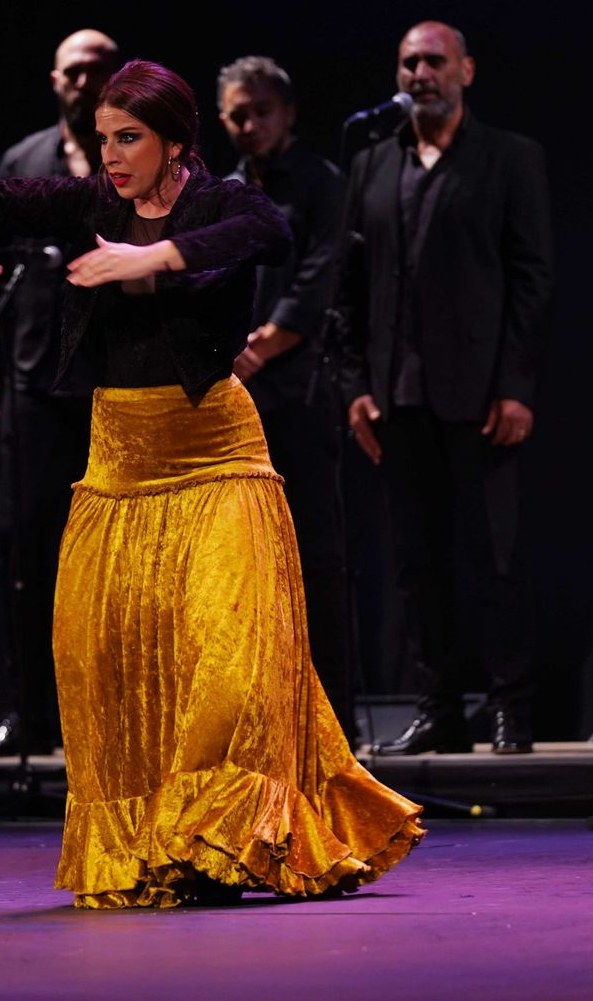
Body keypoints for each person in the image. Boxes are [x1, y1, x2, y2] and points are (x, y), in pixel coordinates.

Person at [0, 60, 422, 908]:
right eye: (104, 138)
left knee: (229, 665)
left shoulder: (223, 200)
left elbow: (267, 236)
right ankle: (154, 847)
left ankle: (226, 835)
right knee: (107, 666)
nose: (111, 156)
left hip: (218, 456)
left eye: (130, 140)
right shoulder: (90, 204)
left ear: (175, 144)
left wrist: (151, 257)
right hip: (119, 464)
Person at [340, 21, 553, 757]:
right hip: (396, 397)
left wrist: (517, 385)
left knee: (494, 556)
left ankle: (510, 708)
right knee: (416, 564)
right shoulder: (370, 165)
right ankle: (438, 707)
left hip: (480, 394)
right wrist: (355, 387)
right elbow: (348, 289)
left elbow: (532, 280)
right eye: (408, 62)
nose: (420, 73)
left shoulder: (508, 159)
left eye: (434, 61)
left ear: (467, 69)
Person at [0, 29, 120, 758]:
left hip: (115, 385)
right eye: (75, 72)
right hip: (31, 382)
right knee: (24, 550)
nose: (85, 83)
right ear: (54, 79)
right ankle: (29, 713)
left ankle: (115, 717)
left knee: (116, 560)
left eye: (99, 71)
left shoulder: (136, 156)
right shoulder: (22, 163)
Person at [216, 55, 355, 744]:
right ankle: (266, 722)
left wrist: (258, 348)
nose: (250, 125)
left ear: (289, 113)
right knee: (244, 567)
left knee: (316, 556)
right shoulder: (222, 190)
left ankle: (334, 725)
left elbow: (319, 277)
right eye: (237, 114)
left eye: (262, 111)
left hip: (298, 390)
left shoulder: (323, 184)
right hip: (234, 401)